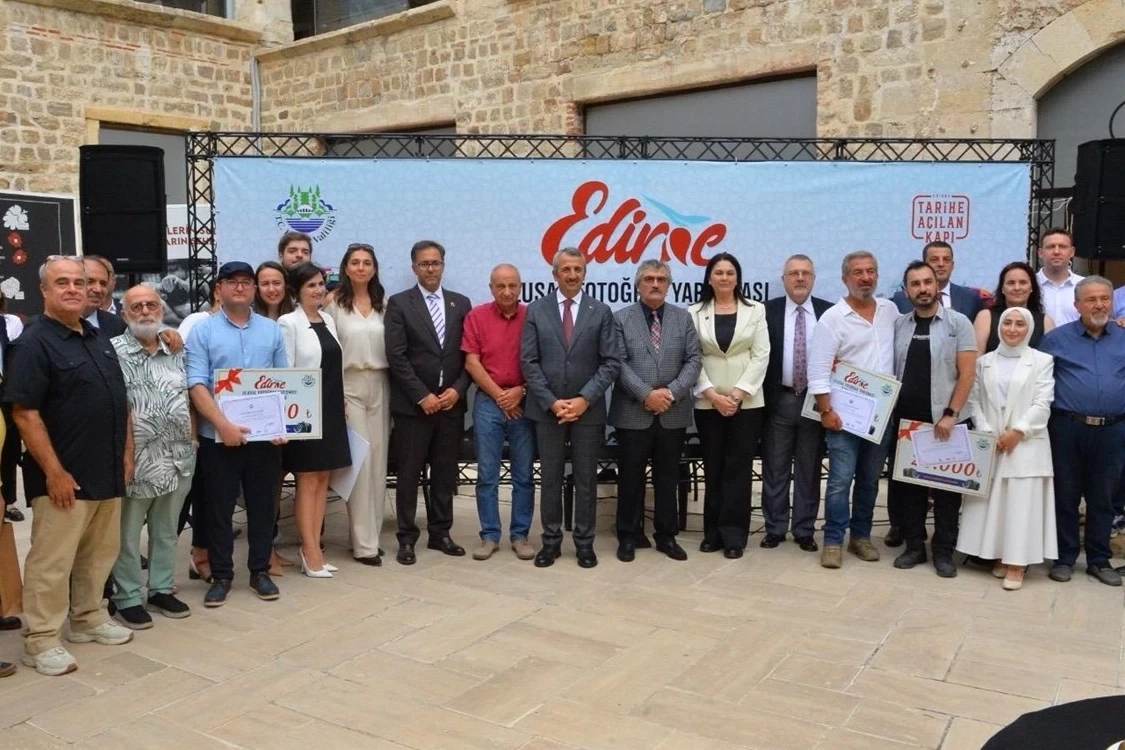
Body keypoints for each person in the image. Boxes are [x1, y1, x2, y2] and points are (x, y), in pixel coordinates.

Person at [5, 256, 135, 676]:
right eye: (62, 283)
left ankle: (88, 617)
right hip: (63, 476)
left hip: (106, 470)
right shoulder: (32, 343)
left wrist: (127, 452)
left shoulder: (97, 337)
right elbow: (25, 414)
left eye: (79, 282)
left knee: (99, 554)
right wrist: (55, 472)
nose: (74, 289)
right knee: (52, 561)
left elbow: (118, 399)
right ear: (44, 290)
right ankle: (41, 639)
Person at [186, 261, 289, 607]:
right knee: (218, 509)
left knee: (263, 507)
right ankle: (222, 575)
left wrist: (281, 425)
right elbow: (196, 384)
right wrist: (223, 425)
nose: (240, 287)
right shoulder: (203, 331)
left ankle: (260, 570)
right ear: (219, 289)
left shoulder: (271, 331)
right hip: (218, 438)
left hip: (264, 438)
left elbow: (283, 382)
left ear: (254, 289)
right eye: (232, 282)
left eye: (247, 282)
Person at [522, 247, 620, 568]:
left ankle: (584, 543)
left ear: (585, 274)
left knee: (585, 479)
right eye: (566, 269)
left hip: (587, 412)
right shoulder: (536, 310)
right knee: (550, 478)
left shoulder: (600, 311)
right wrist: (552, 402)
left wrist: (584, 399)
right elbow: (529, 362)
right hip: (547, 411)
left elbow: (610, 362)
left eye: (578, 269)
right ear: (555, 274)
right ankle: (550, 542)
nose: (572, 275)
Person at [109, 285, 196, 629]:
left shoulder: (176, 349)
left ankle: (160, 589)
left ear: (161, 309)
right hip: (137, 459)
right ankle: (127, 597)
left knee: (167, 530)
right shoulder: (112, 352)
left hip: (178, 456)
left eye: (151, 305)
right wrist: (123, 453)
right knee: (128, 535)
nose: (145, 311)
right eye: (137, 307)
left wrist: (193, 439)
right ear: (124, 314)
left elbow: (190, 394)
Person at [809, 250, 898, 569]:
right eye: (858, 272)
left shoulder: (890, 311)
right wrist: (825, 412)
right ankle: (833, 540)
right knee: (839, 480)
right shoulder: (832, 319)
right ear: (845, 278)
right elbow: (818, 371)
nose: (865, 277)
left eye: (870, 271)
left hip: (881, 416)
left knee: (870, 481)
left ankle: (860, 537)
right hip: (843, 418)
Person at [384, 240, 471, 565]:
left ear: (443, 265)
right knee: (409, 474)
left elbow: (469, 355)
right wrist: (422, 396)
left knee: (445, 473)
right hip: (413, 408)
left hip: (450, 406)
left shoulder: (461, 303)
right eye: (424, 264)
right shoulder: (399, 304)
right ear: (414, 268)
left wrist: (458, 390)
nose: (430, 268)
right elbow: (396, 356)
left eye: (435, 263)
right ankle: (407, 538)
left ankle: (440, 533)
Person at [888, 261, 977, 577]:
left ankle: (943, 552)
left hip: (946, 422)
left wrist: (951, 414)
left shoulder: (959, 323)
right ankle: (915, 547)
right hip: (907, 422)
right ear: (906, 291)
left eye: (927, 282)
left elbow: (968, 374)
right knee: (909, 490)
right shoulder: (899, 325)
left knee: (947, 493)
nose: (923, 289)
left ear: (937, 286)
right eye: (915, 284)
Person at [958, 307, 1057, 591]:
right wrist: (987, 431)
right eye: (1007, 323)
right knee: (996, 504)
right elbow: (974, 400)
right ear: (999, 326)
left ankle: (1017, 563)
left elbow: (1043, 402)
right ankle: (1000, 554)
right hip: (993, 442)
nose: (1012, 329)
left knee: (1021, 505)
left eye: (1019, 324)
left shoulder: (1042, 361)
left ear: (1029, 329)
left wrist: (1018, 431)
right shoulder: (984, 362)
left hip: (1025, 443)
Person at [610, 259, 701, 563]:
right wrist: (646, 395)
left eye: (661, 279)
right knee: (630, 477)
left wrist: (670, 393)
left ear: (669, 285)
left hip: (672, 412)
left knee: (668, 477)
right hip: (633, 411)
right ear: (638, 284)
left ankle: (666, 536)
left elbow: (694, 361)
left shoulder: (683, 318)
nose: (655, 284)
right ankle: (628, 535)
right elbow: (617, 363)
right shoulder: (621, 319)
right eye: (649, 279)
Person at [1039, 275, 1125, 587]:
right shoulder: (1056, 340)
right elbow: (1038, 381)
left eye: (1104, 299)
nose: (1099, 305)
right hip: (1067, 428)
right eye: (1091, 300)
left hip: (1113, 431)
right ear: (1077, 306)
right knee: (1065, 495)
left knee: (1104, 497)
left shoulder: (1123, 338)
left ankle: (1099, 560)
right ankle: (1064, 558)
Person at [689, 252, 770, 559]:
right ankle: (712, 533)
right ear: (709, 278)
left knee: (738, 469)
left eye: (730, 273)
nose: (724, 278)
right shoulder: (694, 312)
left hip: (746, 404)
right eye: (719, 273)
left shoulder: (756, 310)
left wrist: (736, 396)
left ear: (738, 278)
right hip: (708, 403)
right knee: (713, 467)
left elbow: (761, 355)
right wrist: (713, 395)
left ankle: (734, 535)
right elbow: (692, 357)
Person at [278, 263, 351, 577]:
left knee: (323, 479)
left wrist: (342, 402)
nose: (318, 290)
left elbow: (336, 367)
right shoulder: (288, 323)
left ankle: (316, 548)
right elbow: (286, 373)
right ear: (296, 291)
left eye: (321, 284)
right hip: (305, 413)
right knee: (307, 480)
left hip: (331, 409)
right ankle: (308, 551)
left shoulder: (328, 319)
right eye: (311, 285)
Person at [462, 264, 536, 562]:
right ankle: (490, 535)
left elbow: (542, 361)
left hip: (524, 402)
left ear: (521, 287)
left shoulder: (533, 316)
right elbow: (472, 363)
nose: (507, 291)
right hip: (488, 402)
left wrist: (521, 391)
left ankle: (520, 535)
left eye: (512, 285)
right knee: (487, 474)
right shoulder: (477, 316)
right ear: (491, 288)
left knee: (524, 474)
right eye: (500, 286)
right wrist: (501, 397)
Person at [323, 243, 390, 566]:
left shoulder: (384, 304)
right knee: (360, 465)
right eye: (355, 262)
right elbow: (327, 351)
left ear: (374, 269)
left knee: (379, 461)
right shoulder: (334, 304)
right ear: (346, 268)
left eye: (367, 262)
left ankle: (371, 536)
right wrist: (334, 396)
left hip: (381, 383)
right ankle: (364, 545)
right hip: (348, 385)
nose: (361, 267)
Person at [760, 254, 831, 552]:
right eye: (793, 273)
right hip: (780, 399)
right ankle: (775, 528)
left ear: (813, 278)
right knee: (774, 468)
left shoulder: (829, 312)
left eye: (805, 273)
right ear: (784, 279)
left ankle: (804, 530)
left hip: (815, 402)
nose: (800, 278)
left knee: (809, 469)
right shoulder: (766, 311)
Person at [973, 261, 1055, 354]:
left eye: (1023, 283)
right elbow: (976, 357)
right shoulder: (986, 317)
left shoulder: (1045, 322)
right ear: (1002, 288)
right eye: (1011, 283)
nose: (1017, 288)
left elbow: (1050, 359)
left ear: (1031, 287)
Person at [891, 241, 987, 320]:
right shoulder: (900, 300)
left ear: (952, 266)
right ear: (924, 265)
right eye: (934, 260)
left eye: (946, 260)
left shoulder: (970, 298)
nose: (941, 264)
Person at [0, 290, 25, 523]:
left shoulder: (10, 322)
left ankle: (8, 502)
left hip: (5, 395)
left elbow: (16, 360)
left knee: (8, 451)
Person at [1036, 228, 1083, 326]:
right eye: (1050, 247)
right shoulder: (1030, 284)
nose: (1056, 252)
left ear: (1072, 252)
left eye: (1062, 247)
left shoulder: (1085, 285)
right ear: (1040, 253)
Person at [82, 256, 127, 336]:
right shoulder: (58, 324)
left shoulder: (120, 326)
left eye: (103, 284)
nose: (98, 289)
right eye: (90, 281)